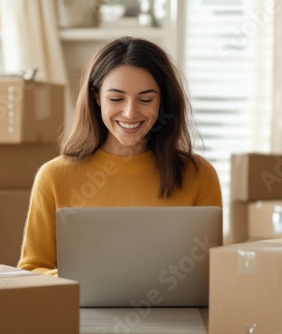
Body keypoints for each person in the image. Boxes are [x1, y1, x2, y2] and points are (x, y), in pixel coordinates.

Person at [18, 36, 222, 276]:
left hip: (173, 313)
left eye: (145, 99)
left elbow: (211, 273)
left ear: (163, 101)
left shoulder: (198, 175)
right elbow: (31, 269)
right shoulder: (54, 177)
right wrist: (82, 280)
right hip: (80, 311)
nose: (130, 113)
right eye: (116, 99)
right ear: (96, 98)